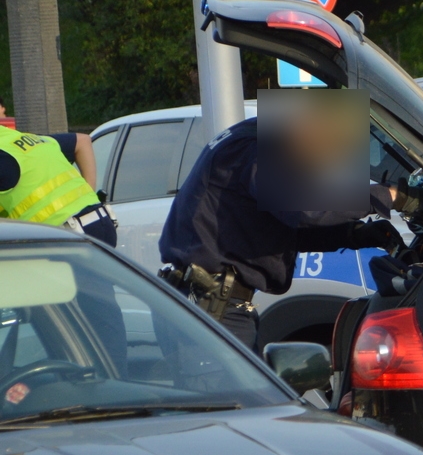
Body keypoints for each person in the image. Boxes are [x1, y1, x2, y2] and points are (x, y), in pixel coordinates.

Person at [159, 113, 401, 347]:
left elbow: (277, 227)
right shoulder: (255, 151)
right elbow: (305, 206)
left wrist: (352, 234)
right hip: (211, 311)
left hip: (208, 307)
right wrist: (386, 196)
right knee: (235, 389)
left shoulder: (248, 140)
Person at [0, 126, 116, 246]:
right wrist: (89, 196)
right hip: (99, 222)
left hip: (65, 236)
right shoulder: (24, 139)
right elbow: (82, 141)